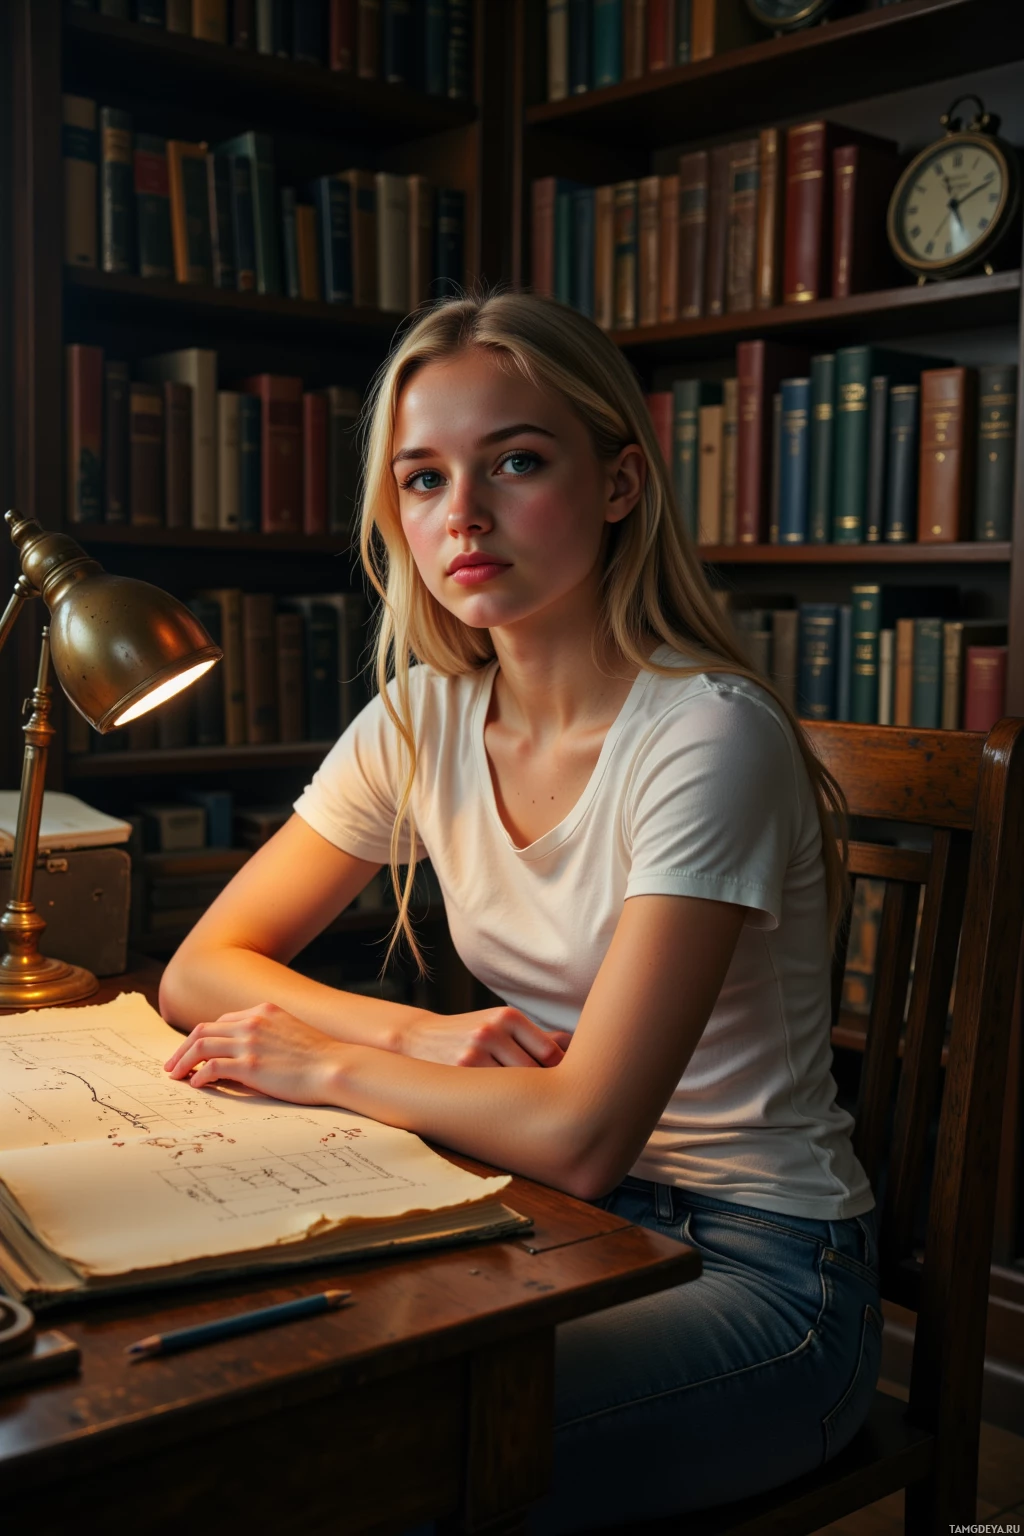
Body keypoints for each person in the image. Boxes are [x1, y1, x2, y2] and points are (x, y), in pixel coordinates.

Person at [160, 291, 882, 1532]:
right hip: (542, 1216)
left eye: (517, 462)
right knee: (226, 1378)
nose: (464, 517)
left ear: (616, 483)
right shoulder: (422, 717)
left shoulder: (706, 737)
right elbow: (203, 969)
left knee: (344, 1453)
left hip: (760, 1273)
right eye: (424, 479)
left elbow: (585, 1133)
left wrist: (328, 1063)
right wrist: (415, 1034)